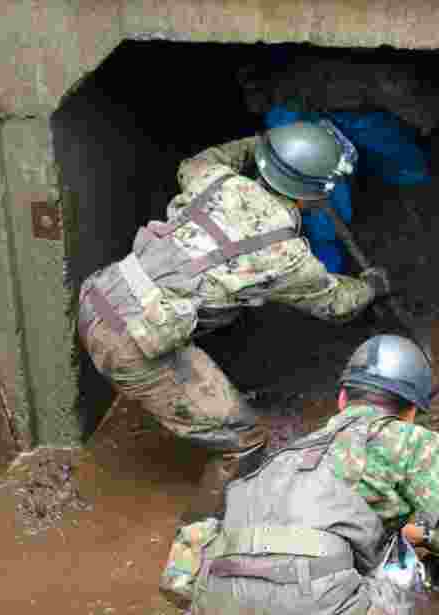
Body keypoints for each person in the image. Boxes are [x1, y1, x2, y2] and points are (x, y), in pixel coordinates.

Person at [77, 119, 392, 523]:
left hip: (100, 295)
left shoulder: (213, 178)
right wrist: (372, 285)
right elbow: (337, 304)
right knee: (245, 441)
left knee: (224, 306)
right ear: (314, 196)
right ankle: (196, 549)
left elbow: (203, 158)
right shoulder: (286, 256)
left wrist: (262, 144)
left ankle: (212, 396)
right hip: (131, 345)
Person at [189, 334, 439, 614]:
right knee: (399, 575)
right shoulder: (402, 440)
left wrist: (432, 539)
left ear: (342, 399)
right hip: (310, 601)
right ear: (411, 411)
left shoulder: (291, 456)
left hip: (217, 595)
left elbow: (327, 529)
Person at [239, 54, 439, 274]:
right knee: (321, 194)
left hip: (341, 98)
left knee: (394, 149)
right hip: (292, 105)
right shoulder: (392, 79)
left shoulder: (389, 72)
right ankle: (327, 272)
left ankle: (395, 181)